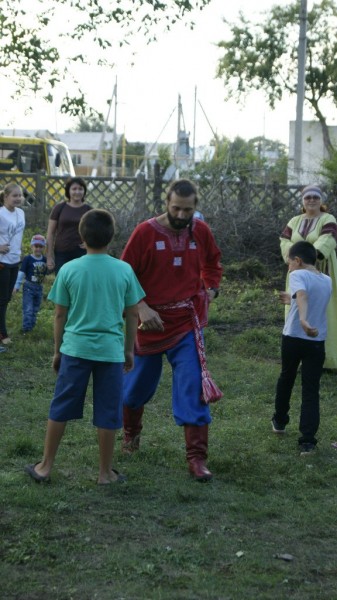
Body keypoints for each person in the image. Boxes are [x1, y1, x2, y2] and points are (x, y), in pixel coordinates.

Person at [24, 209, 145, 484]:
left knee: (61, 405)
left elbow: (59, 315)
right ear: (112, 237)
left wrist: (58, 351)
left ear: (81, 237)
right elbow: (133, 314)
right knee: (108, 410)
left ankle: (44, 466)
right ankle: (104, 473)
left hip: (75, 350)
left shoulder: (69, 269)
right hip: (110, 352)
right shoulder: (124, 270)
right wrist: (128, 350)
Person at [121, 178, 222, 482]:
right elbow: (125, 275)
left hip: (186, 325)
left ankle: (197, 458)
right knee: (136, 389)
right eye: (176, 208)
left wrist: (211, 289)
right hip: (148, 324)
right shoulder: (145, 233)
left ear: (195, 207)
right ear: (166, 202)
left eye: (187, 209)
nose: (181, 215)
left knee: (193, 386)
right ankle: (131, 434)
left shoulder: (200, 231)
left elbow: (213, 263)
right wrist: (140, 307)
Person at [271, 241, 332, 455]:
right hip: (317, 342)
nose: (289, 267)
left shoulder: (296, 275)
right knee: (310, 389)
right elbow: (307, 297)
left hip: (295, 337)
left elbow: (304, 296)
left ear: (297, 260)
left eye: (289, 263)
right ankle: (307, 441)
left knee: (286, 377)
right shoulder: (327, 280)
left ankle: (279, 421)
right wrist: (292, 299)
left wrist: (303, 320)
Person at [280, 184, 337, 370]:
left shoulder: (328, 219)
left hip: (321, 269)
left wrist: (305, 257)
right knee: (297, 306)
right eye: (307, 197)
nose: (311, 200)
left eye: (315, 196)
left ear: (321, 200)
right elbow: (284, 241)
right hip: (297, 271)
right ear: (302, 201)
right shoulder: (294, 221)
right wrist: (294, 258)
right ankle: (295, 357)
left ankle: (326, 359)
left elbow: (326, 240)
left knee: (323, 310)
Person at [46, 176, 91, 274]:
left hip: (82, 254)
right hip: (61, 253)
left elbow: (97, 230)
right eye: (74, 189)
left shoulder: (89, 210)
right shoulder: (59, 208)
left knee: (79, 283)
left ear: (84, 191)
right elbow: (50, 233)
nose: (77, 192)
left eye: (80, 189)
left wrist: (89, 243)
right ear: (68, 191)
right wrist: (49, 256)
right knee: (62, 283)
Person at [0, 183, 25, 352]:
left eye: (20, 195)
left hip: (15, 260)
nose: (18, 198)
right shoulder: (1, 213)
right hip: (2, 259)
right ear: (5, 197)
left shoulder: (21, 213)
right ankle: (2, 334)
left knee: (7, 298)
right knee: (2, 299)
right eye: (14, 195)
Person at [13, 234, 48, 333]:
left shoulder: (44, 259)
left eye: (40, 246)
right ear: (32, 246)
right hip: (29, 287)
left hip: (39, 287)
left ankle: (31, 327)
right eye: (36, 246)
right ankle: (26, 329)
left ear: (43, 247)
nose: (38, 249)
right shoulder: (28, 259)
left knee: (35, 309)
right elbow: (21, 273)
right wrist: (17, 286)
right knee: (28, 309)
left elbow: (47, 270)